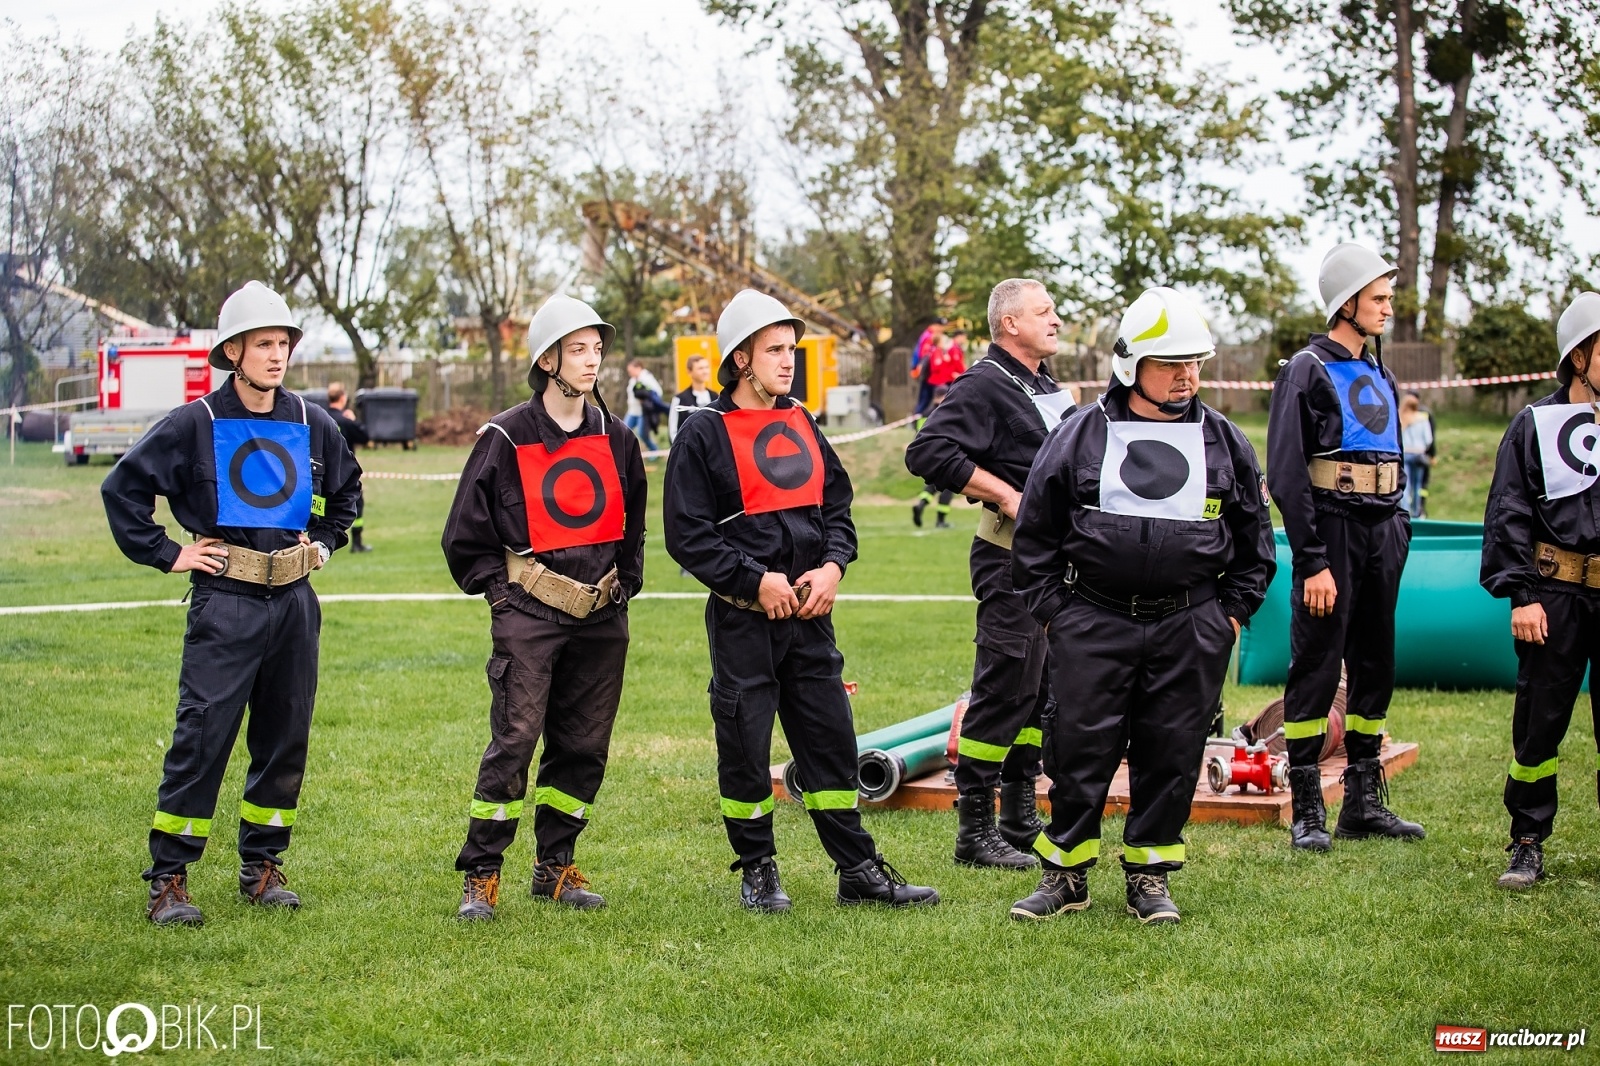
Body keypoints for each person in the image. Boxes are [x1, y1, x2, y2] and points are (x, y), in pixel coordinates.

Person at [664, 288, 939, 912]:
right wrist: (751, 579)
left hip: (812, 620)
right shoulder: (703, 436)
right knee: (745, 746)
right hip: (745, 624)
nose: (789, 361)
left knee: (832, 743)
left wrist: (834, 566)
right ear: (741, 358)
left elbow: (837, 509)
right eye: (775, 350)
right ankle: (758, 869)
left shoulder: (802, 422)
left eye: (793, 349)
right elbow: (687, 534)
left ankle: (858, 870)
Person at [1009, 287, 1276, 924]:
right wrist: (1059, 613)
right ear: (1131, 365)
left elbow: (1253, 540)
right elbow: (1036, 533)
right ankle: (1065, 873)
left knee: (1174, 748)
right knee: (1077, 747)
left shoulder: (1226, 442)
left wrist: (1227, 617)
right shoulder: (1079, 436)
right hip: (1092, 620)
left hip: (1190, 624)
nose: (1187, 375)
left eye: (1195, 362)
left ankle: (1150, 874)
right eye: (1171, 363)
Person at [100, 281, 362, 926]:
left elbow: (345, 494)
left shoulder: (311, 420)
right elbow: (124, 490)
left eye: (283, 344)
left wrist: (324, 543)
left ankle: (263, 864)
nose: (275, 355)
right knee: (203, 736)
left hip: (295, 603)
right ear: (234, 352)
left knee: (283, 738)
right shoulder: (195, 423)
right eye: (263, 344)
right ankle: (169, 877)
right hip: (226, 601)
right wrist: (170, 553)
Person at [441, 294, 646, 921]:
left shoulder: (617, 437)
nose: (592, 361)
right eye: (578, 350)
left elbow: (633, 522)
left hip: (601, 618)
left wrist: (623, 587)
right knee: (517, 738)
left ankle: (555, 867)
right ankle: (481, 872)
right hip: (529, 614)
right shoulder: (505, 436)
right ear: (548, 359)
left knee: (584, 745)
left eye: (597, 349)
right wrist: (502, 593)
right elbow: (462, 534)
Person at [905, 279, 1075, 870]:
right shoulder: (982, 385)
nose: (1056, 319)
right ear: (1010, 325)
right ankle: (974, 831)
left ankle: (1019, 815)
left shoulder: (1046, 386)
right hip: (1009, 561)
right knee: (1005, 687)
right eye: (1043, 312)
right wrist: (1006, 493)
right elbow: (926, 453)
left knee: (1040, 690)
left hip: (1054, 567)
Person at [1266, 243, 1426, 851]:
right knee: (1316, 662)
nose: (1388, 308)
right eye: (1379, 298)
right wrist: (1312, 559)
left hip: (1382, 532)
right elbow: (1286, 471)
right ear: (1347, 303)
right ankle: (1307, 806)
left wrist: (1397, 529)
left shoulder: (1382, 372)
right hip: (1330, 532)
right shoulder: (1305, 368)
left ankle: (1362, 800)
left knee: (1375, 662)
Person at [1480, 290, 1600, 890]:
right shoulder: (1534, 424)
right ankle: (1527, 840)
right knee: (1539, 725)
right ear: (1580, 356)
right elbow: (1509, 512)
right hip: (1553, 596)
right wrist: (1522, 595)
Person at [327, 381, 372, 551]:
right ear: (343, 398)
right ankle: (357, 543)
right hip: (344, 472)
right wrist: (354, 420)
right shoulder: (345, 420)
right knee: (356, 503)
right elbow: (365, 436)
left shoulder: (321, 417)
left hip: (322, 471)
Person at [912, 385, 957, 529]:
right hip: (945, 454)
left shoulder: (926, 413)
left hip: (929, 456)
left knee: (932, 485)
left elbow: (919, 435)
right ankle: (940, 520)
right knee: (950, 486)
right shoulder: (945, 411)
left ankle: (921, 504)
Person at [668, 354, 719, 441]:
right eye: (700, 368)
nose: (705, 371)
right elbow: (673, 431)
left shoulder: (716, 397)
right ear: (689, 371)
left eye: (706, 367)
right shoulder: (679, 399)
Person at [1399, 392, 1433, 519]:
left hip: (1406, 453)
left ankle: (1406, 511)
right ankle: (1416, 512)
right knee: (1417, 484)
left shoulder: (1402, 418)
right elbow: (1428, 439)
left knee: (1405, 485)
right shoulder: (1422, 419)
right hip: (1419, 454)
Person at [910, 318, 947, 417]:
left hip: (931, 376)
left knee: (927, 400)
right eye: (941, 327)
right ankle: (916, 420)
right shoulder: (928, 337)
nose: (941, 329)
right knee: (924, 400)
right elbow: (924, 356)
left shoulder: (929, 336)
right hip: (929, 376)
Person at [625, 359, 663, 450]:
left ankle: (654, 450)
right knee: (624, 430)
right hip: (632, 411)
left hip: (643, 412)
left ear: (638, 368)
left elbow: (658, 392)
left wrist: (646, 398)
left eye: (631, 371)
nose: (629, 373)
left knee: (642, 434)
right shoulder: (632, 380)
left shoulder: (647, 378)